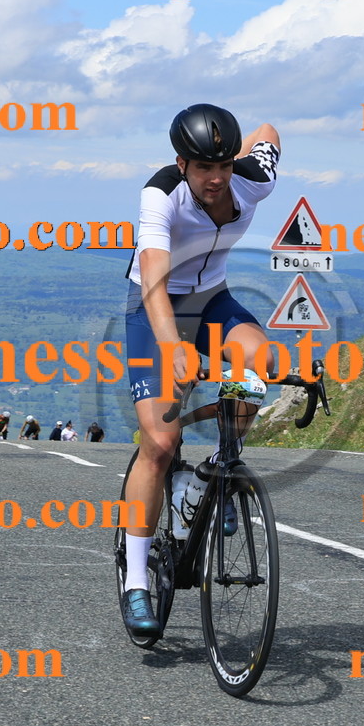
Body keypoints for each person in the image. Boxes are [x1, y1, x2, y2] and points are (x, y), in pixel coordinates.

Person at [119, 104, 279, 636]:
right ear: (181, 163)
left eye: (223, 166)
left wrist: (239, 152)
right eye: (203, 167)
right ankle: (137, 581)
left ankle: (216, 468)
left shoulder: (251, 180)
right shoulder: (160, 194)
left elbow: (268, 132)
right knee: (160, 445)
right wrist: (174, 347)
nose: (216, 179)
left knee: (264, 361)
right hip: (156, 308)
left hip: (213, 299)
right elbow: (154, 285)